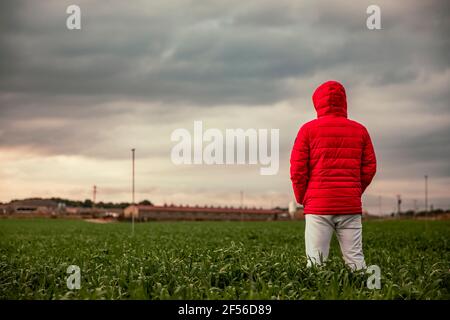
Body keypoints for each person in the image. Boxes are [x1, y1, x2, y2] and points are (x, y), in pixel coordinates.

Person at [290, 80, 376, 271]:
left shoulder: (307, 130)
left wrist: (303, 198)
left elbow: (297, 170)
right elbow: (370, 167)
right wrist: (353, 191)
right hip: (350, 205)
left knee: (316, 262)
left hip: (318, 206)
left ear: (317, 102)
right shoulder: (360, 130)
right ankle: (368, 291)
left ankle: (315, 292)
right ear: (344, 101)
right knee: (355, 260)